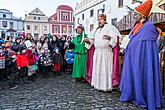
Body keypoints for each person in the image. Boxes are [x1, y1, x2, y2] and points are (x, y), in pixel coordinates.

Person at [119, 0, 163, 110]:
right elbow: (132, 39)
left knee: (142, 74)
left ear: (142, 15)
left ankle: (142, 96)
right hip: (132, 57)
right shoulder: (136, 25)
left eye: (136, 14)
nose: (134, 15)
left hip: (142, 58)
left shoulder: (148, 27)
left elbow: (146, 46)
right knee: (133, 75)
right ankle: (132, 94)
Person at [85, 14, 121, 91]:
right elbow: (91, 40)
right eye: (98, 19)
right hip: (97, 52)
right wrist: (87, 41)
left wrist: (109, 38)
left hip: (106, 52)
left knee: (105, 69)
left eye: (101, 19)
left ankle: (106, 86)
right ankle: (97, 84)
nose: (99, 21)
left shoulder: (110, 28)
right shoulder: (96, 29)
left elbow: (115, 39)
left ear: (105, 19)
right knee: (97, 68)